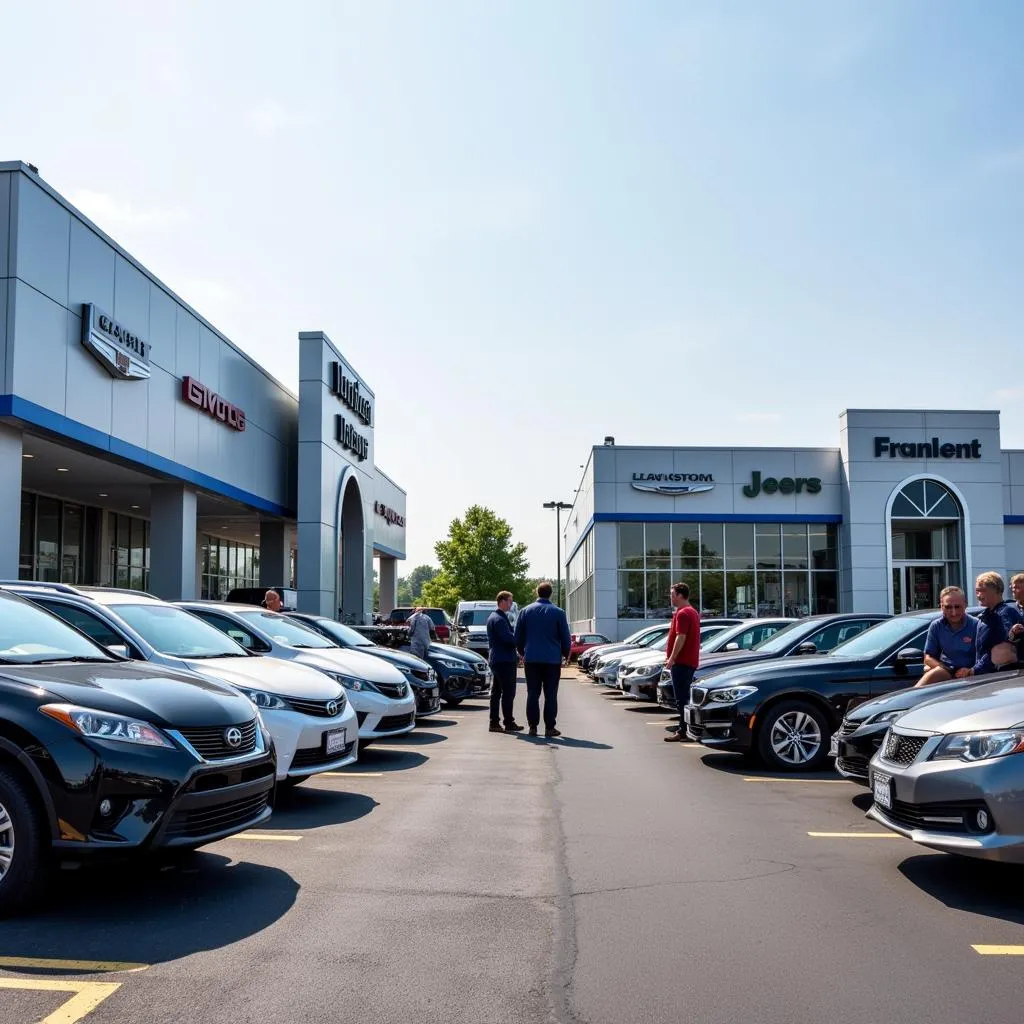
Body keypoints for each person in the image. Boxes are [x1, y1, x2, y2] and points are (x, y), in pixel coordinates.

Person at [514, 581, 571, 738]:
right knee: (550, 695)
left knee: (532, 693)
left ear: (537, 593)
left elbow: (518, 636)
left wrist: (522, 652)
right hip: (552, 659)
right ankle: (549, 727)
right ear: (550, 593)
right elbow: (565, 637)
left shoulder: (525, 611)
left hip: (531, 658)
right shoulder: (559, 612)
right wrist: (566, 655)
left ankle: (533, 727)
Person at [915, 586, 979, 687]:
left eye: (957, 607)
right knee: (926, 680)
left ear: (965, 605)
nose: (953, 612)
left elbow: (985, 657)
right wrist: (942, 669)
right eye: (948, 607)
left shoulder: (977, 625)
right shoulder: (936, 626)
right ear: (941, 606)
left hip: (972, 678)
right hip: (945, 673)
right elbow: (928, 657)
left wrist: (971, 670)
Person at [663, 582, 702, 742]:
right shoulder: (692, 611)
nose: (670, 598)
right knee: (684, 697)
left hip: (682, 662)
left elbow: (681, 637)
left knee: (682, 699)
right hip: (688, 661)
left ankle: (683, 731)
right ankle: (685, 729)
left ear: (680, 595)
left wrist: (672, 658)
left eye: (672, 595)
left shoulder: (684, 613)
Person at [971, 572, 1022, 676]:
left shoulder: (1005, 612)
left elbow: (1002, 645)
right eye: (977, 591)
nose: (979, 595)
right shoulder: (984, 615)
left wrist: (974, 670)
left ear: (997, 590)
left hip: (1002, 677)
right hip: (985, 675)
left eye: (983, 591)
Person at [486, 591, 523, 733]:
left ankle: (494, 722)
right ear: (502, 601)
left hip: (498, 659)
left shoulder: (495, 617)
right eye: (509, 601)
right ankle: (508, 722)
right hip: (504, 660)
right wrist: (519, 641)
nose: (511, 604)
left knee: (496, 692)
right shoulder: (499, 619)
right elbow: (508, 639)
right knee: (508, 692)